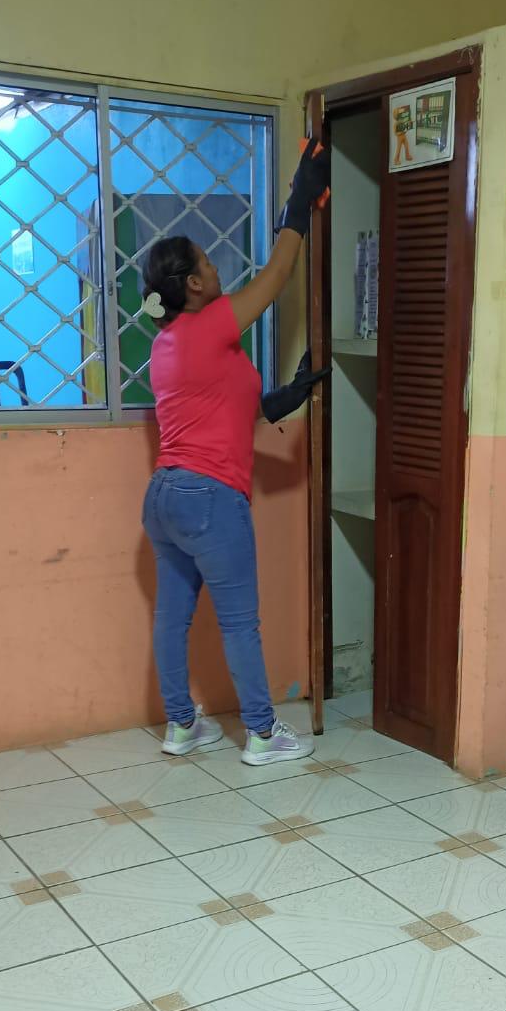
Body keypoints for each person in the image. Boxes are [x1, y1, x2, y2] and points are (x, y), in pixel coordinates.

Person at [140, 141, 330, 766]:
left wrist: (284, 399)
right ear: (194, 285)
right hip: (209, 498)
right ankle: (263, 735)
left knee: (172, 618)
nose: (216, 266)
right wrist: (299, 202)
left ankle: (180, 726)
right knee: (240, 621)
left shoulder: (167, 343)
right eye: (207, 261)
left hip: (165, 499)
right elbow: (277, 276)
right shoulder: (212, 321)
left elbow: (222, 410)